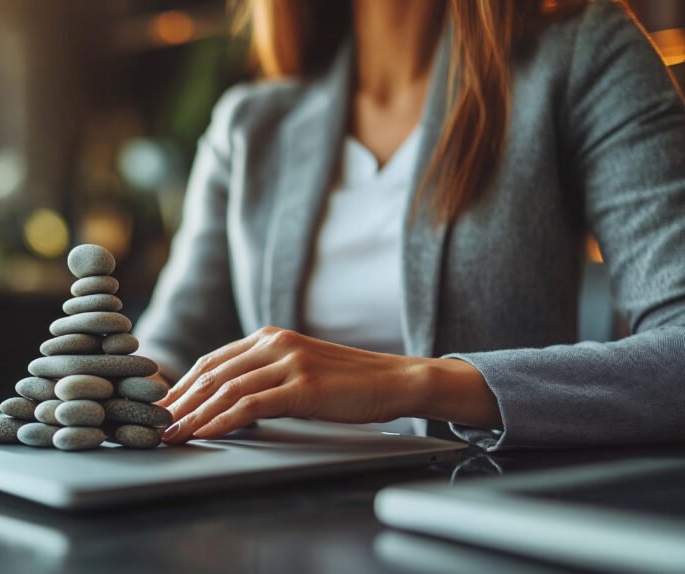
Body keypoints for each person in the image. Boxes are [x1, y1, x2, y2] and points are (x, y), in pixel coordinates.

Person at [133, 0, 685, 451]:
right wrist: (107, 387)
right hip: (278, 522)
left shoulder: (582, 54)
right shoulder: (250, 123)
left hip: (483, 520)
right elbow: (175, 343)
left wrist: (407, 383)